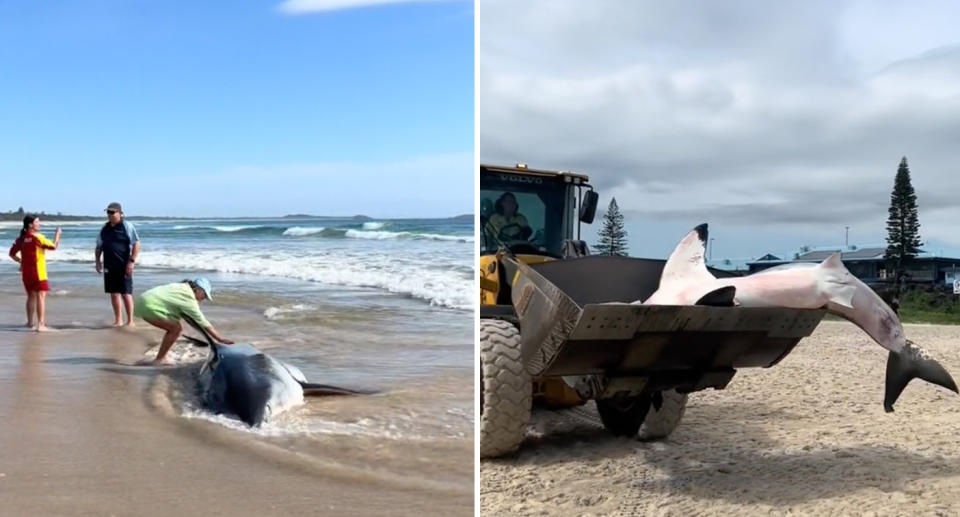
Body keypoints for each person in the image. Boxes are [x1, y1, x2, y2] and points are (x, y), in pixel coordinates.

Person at [133, 277, 234, 365]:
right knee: (175, 329)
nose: (203, 299)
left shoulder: (182, 288)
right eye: (204, 295)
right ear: (198, 289)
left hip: (143, 301)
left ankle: (163, 354)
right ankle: (160, 359)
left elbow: (188, 318)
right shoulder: (188, 298)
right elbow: (203, 322)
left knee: (175, 327)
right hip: (149, 306)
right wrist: (219, 339)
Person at [8, 215, 61, 332]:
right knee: (41, 297)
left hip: (27, 273)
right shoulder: (38, 238)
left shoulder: (21, 239)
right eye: (37, 222)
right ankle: (41, 324)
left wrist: (21, 261)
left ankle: (30, 322)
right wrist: (57, 234)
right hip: (39, 273)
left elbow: (11, 253)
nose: (39, 224)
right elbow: (54, 246)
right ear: (31, 225)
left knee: (31, 296)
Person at [95, 202, 141, 327]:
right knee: (114, 293)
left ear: (120, 213)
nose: (109, 215)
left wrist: (131, 262)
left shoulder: (127, 226)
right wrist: (98, 261)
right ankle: (118, 320)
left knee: (126, 293)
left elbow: (136, 244)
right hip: (109, 265)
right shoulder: (104, 228)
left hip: (124, 265)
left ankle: (130, 321)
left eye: (112, 212)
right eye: (108, 212)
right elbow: (99, 246)